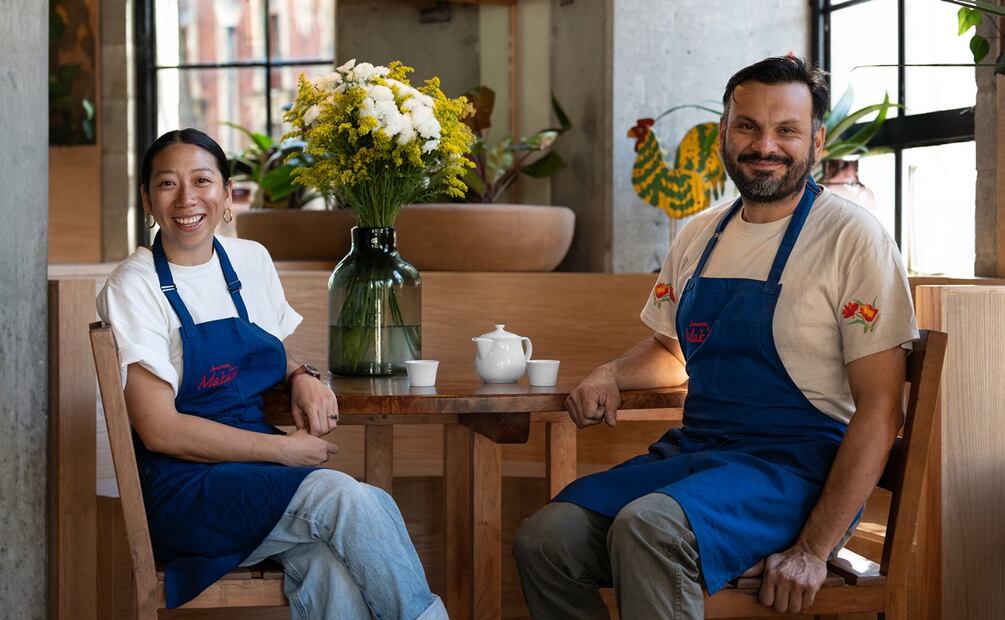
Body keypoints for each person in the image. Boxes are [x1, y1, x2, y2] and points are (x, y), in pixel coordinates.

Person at [512, 56, 918, 619]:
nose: (765, 146)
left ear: (817, 140)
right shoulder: (700, 234)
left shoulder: (853, 238)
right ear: (725, 132)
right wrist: (610, 372)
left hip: (797, 471)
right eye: (748, 126)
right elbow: (671, 350)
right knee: (546, 539)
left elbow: (880, 409)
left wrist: (812, 549)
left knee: (649, 527)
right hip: (700, 454)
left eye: (786, 130)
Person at [97, 128, 447, 619]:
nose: (187, 198)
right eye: (168, 184)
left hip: (256, 475)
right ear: (148, 200)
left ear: (226, 195)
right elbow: (160, 430)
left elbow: (263, 350)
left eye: (202, 181)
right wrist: (283, 451)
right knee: (345, 499)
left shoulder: (250, 260)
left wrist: (300, 374)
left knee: (329, 559)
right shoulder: (135, 285)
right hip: (184, 488)